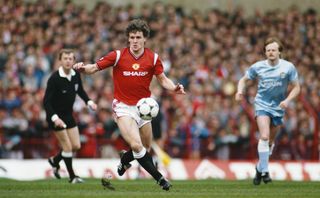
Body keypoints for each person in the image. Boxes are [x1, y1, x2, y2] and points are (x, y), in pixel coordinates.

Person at [73, 19, 185, 190]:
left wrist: (175, 87)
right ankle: (160, 179)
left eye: (138, 37)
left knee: (145, 148)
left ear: (145, 39)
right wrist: (82, 68)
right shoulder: (117, 56)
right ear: (128, 38)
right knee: (136, 145)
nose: (134, 41)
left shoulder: (153, 58)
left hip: (144, 108)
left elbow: (163, 79)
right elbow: (94, 68)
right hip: (123, 106)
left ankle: (125, 160)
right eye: (131, 37)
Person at [235, 37, 300, 185]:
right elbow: (243, 80)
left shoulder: (288, 67)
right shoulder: (258, 67)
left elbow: (297, 87)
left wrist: (287, 101)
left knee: (270, 141)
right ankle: (265, 171)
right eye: (268, 50)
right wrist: (239, 91)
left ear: (279, 52)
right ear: (265, 52)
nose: (271, 52)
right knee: (264, 136)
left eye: (273, 50)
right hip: (262, 104)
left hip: (278, 107)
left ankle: (259, 168)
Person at [43, 49, 97, 183]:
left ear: (74, 61)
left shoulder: (75, 75)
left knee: (76, 146)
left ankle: (54, 160)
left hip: (68, 115)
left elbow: (80, 90)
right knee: (67, 147)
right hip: (56, 117)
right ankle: (72, 177)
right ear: (60, 60)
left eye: (70, 59)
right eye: (65, 58)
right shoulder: (54, 78)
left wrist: (89, 102)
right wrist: (55, 118)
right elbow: (46, 102)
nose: (68, 61)